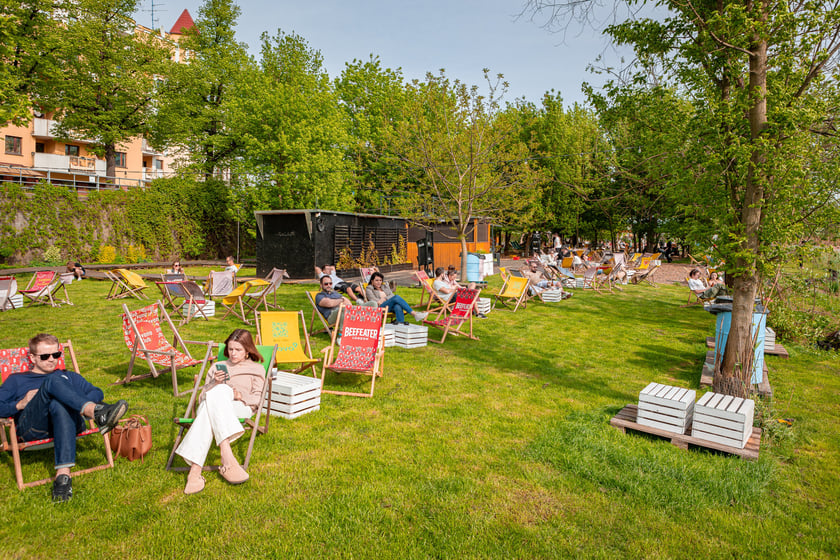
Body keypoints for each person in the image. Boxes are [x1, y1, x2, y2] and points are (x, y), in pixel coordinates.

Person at [0, 333, 128, 502]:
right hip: (33, 428)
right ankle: (97, 413)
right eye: (45, 356)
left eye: (56, 354)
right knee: (53, 381)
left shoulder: (69, 376)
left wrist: (72, 398)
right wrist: (20, 404)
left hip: (70, 423)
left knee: (58, 400)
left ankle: (63, 476)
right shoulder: (17, 380)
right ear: (32, 357)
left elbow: (97, 392)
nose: (52, 360)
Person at [175, 329, 265, 495]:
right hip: (214, 405)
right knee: (219, 391)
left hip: (239, 406)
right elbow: (203, 397)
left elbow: (257, 398)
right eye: (230, 349)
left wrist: (239, 396)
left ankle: (195, 471)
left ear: (247, 351)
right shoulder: (217, 367)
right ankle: (227, 456)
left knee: (217, 398)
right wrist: (214, 383)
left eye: (238, 350)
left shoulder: (257, 369)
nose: (233, 353)